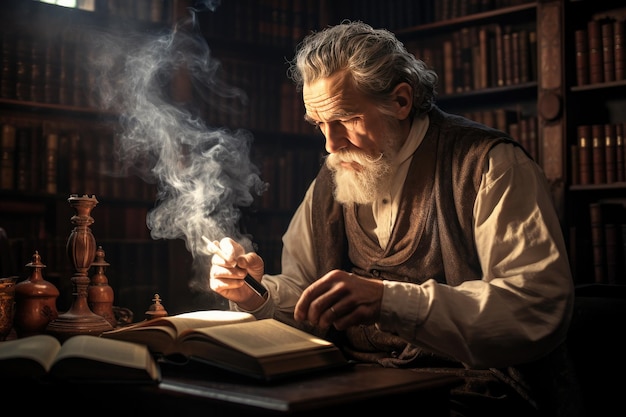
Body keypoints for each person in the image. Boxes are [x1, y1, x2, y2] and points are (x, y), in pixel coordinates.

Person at [209, 21, 578, 416]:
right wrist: (255, 294)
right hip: (355, 384)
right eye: (319, 125)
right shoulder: (333, 177)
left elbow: (535, 308)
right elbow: (306, 295)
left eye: (346, 118)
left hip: (476, 392)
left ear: (401, 101)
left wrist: (389, 301)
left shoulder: (489, 165)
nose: (331, 144)